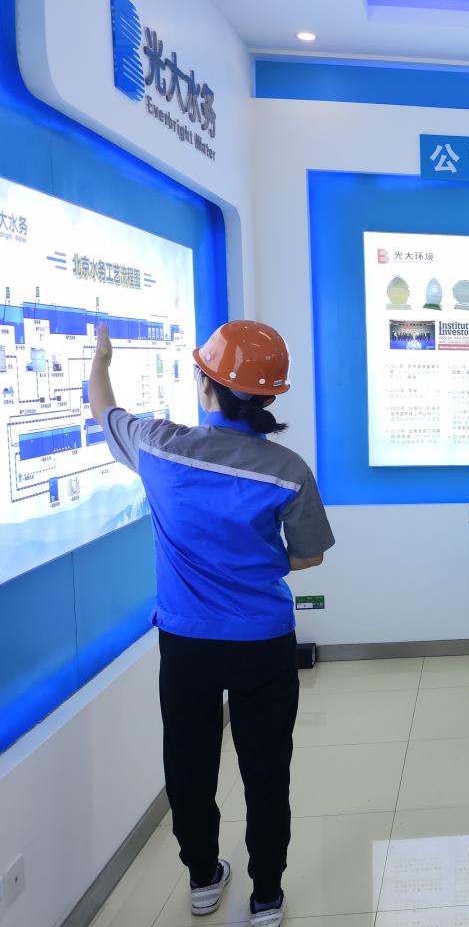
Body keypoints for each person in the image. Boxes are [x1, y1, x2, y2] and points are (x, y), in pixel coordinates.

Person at [89, 320, 335, 927]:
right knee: (266, 771)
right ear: (269, 395)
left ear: (207, 385)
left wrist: (101, 359)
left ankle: (203, 879)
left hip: (188, 644)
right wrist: (254, 561)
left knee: (189, 765)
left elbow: (103, 410)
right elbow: (310, 557)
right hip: (263, 643)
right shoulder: (288, 469)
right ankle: (266, 896)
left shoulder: (158, 447)